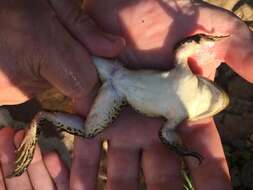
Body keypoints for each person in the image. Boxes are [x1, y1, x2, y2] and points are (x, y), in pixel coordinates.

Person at [0, 0, 252, 189]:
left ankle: (39, 120)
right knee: (88, 126)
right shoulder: (178, 112)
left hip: (117, 86)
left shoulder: (183, 79)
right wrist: (184, 150)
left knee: (90, 130)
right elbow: (166, 134)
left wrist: (205, 40)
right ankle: (41, 115)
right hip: (116, 79)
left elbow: (183, 51)